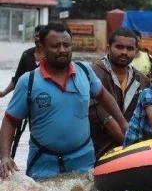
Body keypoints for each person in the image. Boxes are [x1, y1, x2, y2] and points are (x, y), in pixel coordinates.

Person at [0, 23, 128, 180]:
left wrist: (123, 124)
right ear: (42, 47)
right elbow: (10, 120)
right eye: (55, 46)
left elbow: (105, 97)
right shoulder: (29, 81)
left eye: (66, 45)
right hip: (43, 164)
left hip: (83, 162)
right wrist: (5, 156)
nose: (62, 50)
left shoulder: (85, 72)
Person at [89, 28, 150, 159]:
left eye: (129, 48)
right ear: (108, 47)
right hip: (99, 149)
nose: (124, 52)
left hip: (131, 150)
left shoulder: (142, 80)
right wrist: (131, 148)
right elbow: (101, 115)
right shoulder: (93, 73)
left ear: (136, 51)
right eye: (119, 47)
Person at [0, 25, 44, 158]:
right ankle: (8, 159)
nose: (37, 38)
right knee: (14, 130)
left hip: (43, 102)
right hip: (25, 101)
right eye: (35, 35)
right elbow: (17, 79)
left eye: (40, 35)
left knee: (37, 132)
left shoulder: (51, 55)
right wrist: (3, 93)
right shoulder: (26, 55)